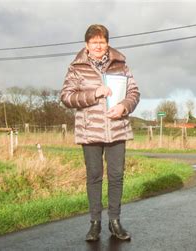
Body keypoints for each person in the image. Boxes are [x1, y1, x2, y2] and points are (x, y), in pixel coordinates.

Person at [60, 24, 140, 241]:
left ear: (107, 43)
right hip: (90, 131)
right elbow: (67, 97)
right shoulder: (76, 68)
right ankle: (95, 224)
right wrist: (94, 93)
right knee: (94, 176)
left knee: (116, 176)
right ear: (86, 44)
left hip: (117, 130)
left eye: (102, 42)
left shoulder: (121, 65)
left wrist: (124, 106)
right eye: (94, 42)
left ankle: (115, 222)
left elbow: (134, 92)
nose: (98, 46)